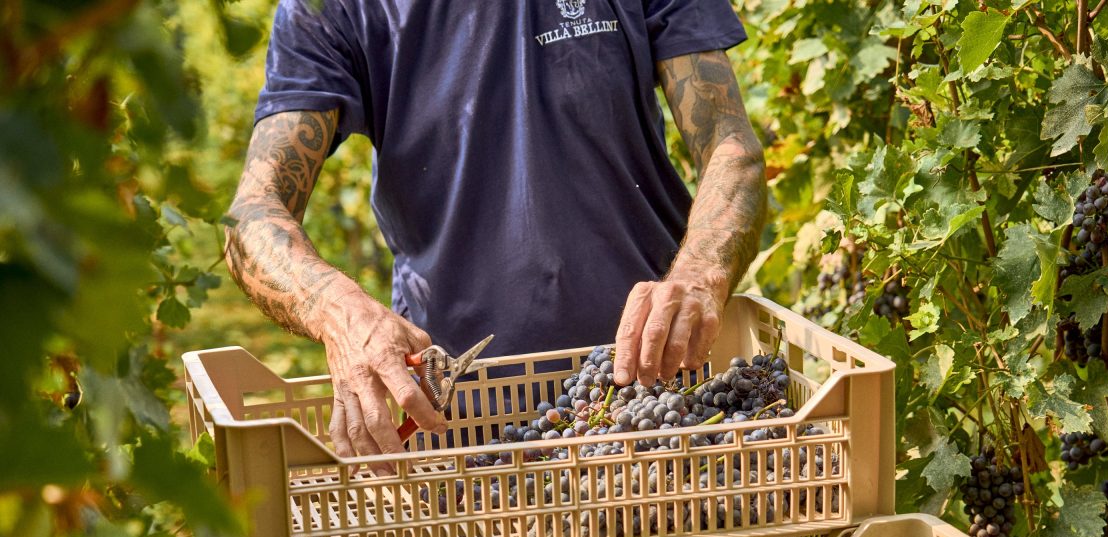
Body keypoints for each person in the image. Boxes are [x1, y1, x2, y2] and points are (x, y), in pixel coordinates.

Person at [224, 0, 767, 459]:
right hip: (461, 428)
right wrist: (340, 312)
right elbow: (253, 212)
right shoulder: (331, 10)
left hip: (661, 405)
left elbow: (730, 145)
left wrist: (699, 274)